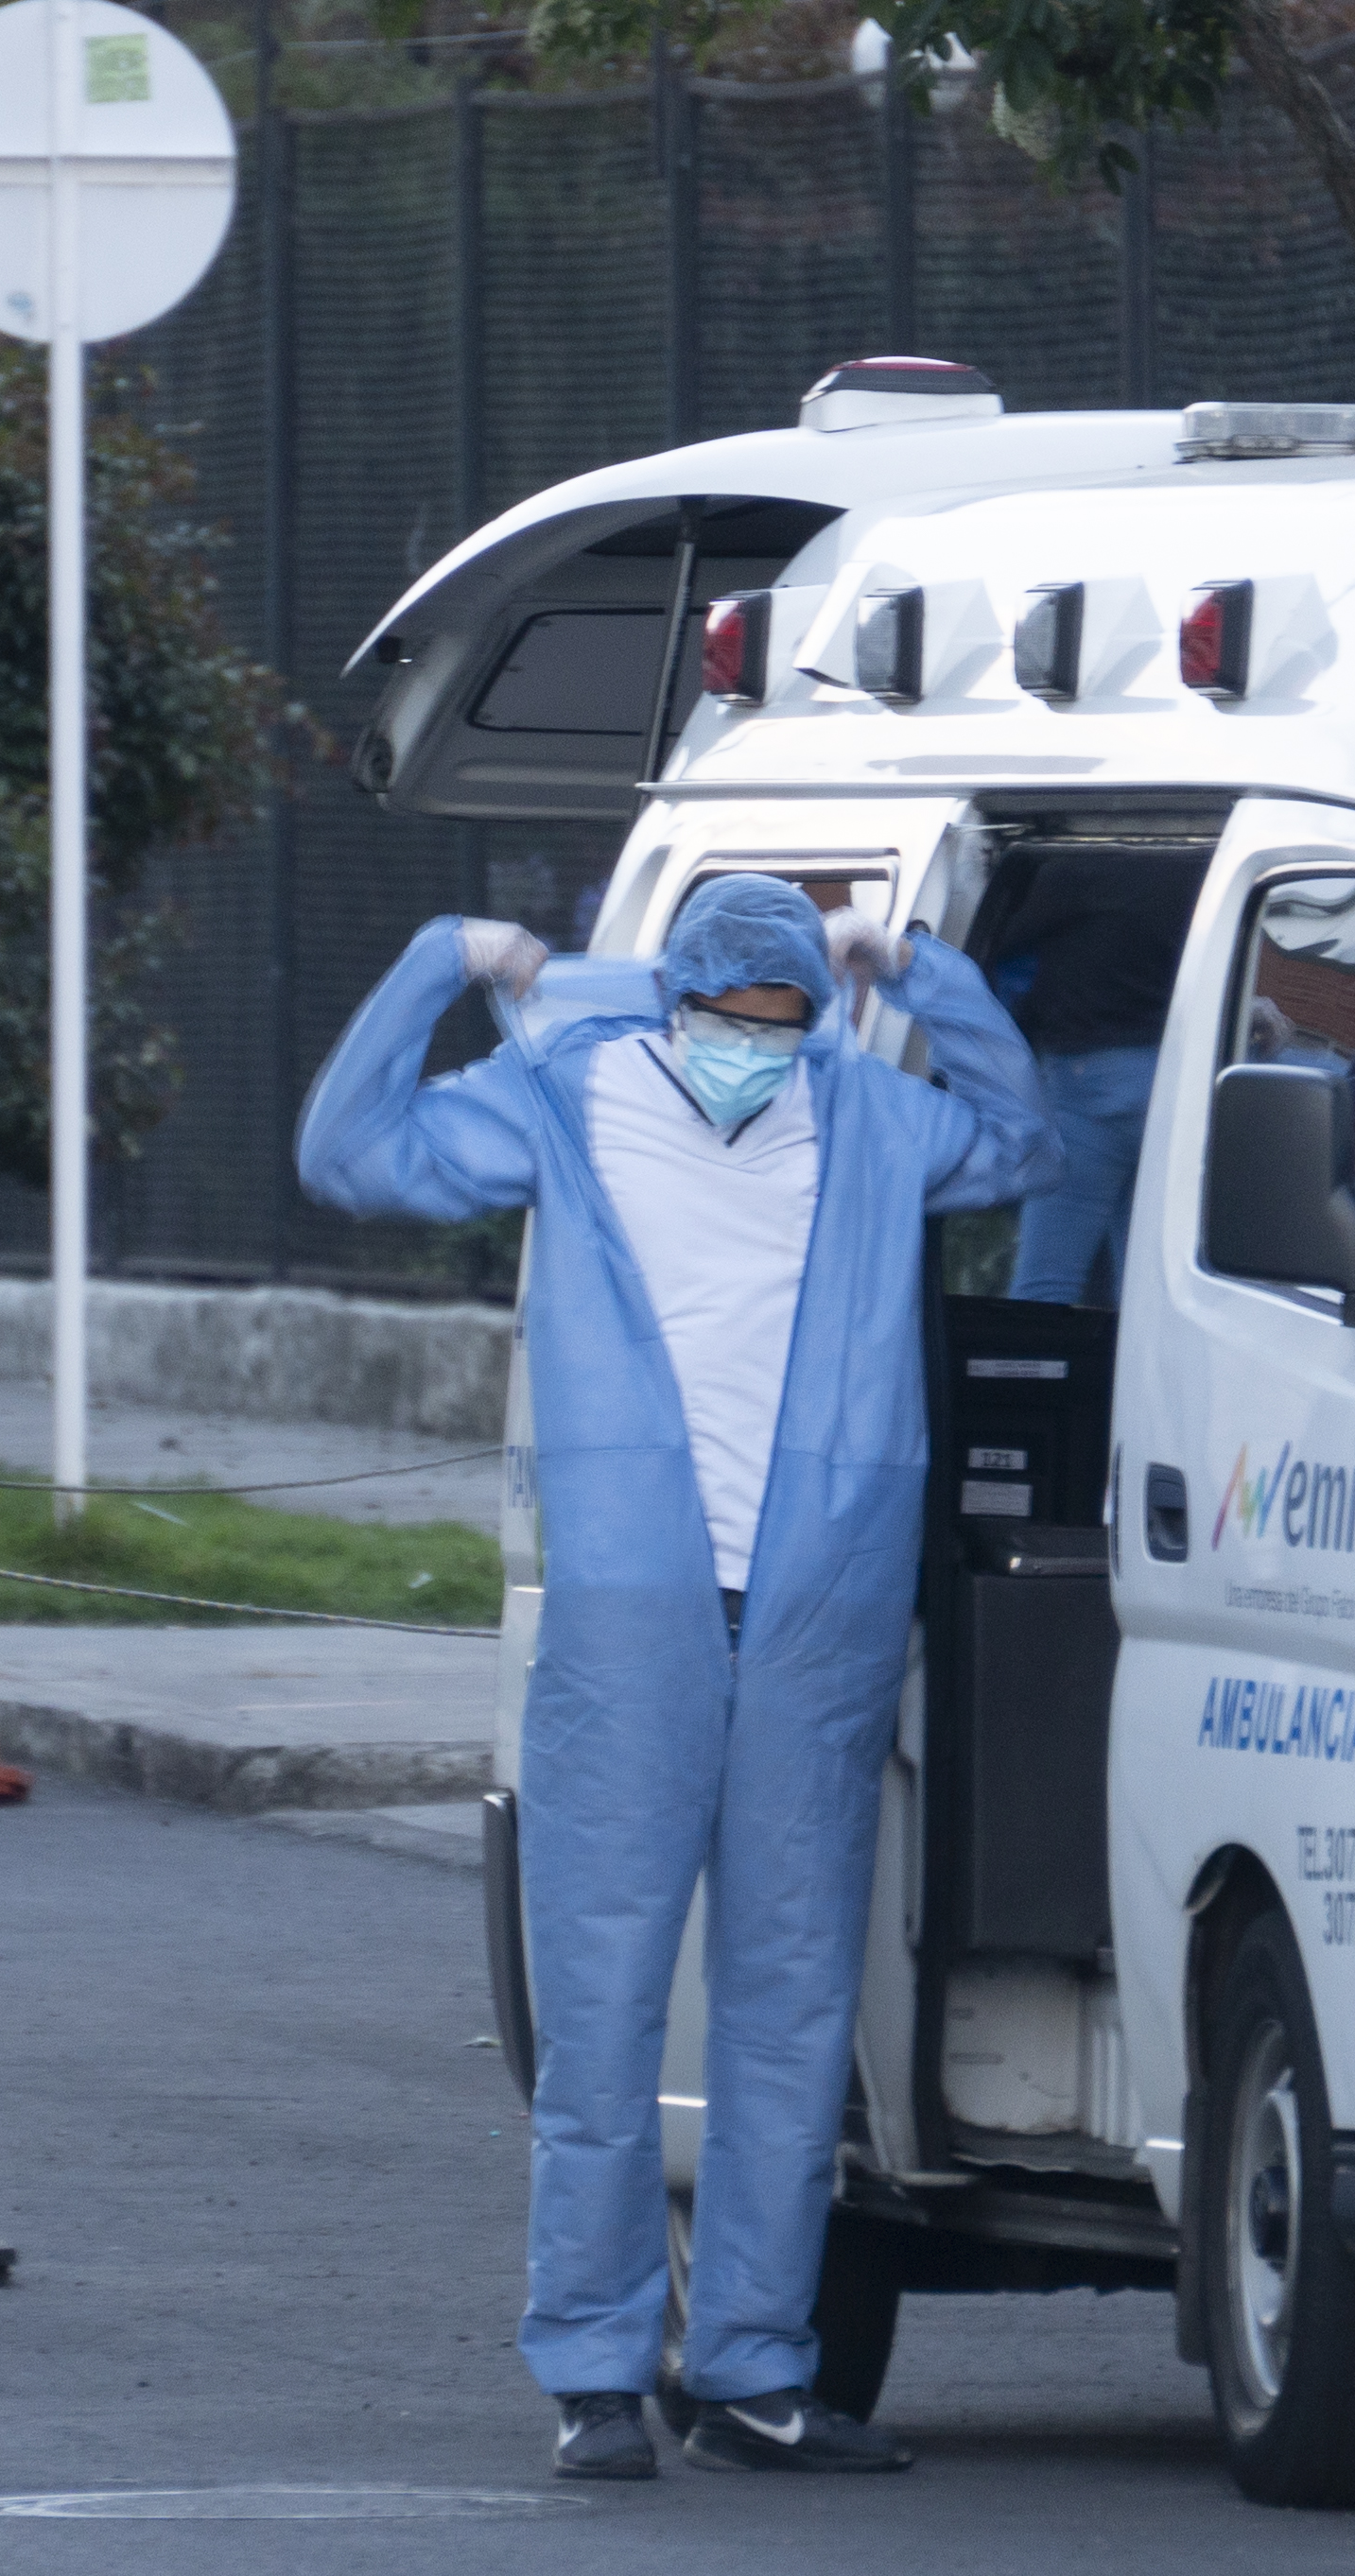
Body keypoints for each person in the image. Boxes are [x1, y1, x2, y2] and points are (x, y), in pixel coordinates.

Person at [296, 875, 1056, 2486]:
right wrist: (445, 954)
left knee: (791, 2009)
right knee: (603, 2000)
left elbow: (1032, 1138)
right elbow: (345, 1152)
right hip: (635, 1609)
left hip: (818, 1611)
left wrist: (915, 968)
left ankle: (755, 2373)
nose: (752, 1054)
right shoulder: (568, 1096)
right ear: (675, 1005)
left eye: (784, 1026)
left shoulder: (868, 1114)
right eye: (727, 1023)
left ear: (821, 1017)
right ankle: (592, 2366)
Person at [980, 850, 1207, 1306]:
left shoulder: (1077, 866)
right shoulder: (1202, 868)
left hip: (1090, 1085)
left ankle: (1031, 1377)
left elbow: (995, 941)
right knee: (1144, 1288)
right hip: (1176, 1081)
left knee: (1046, 1283)